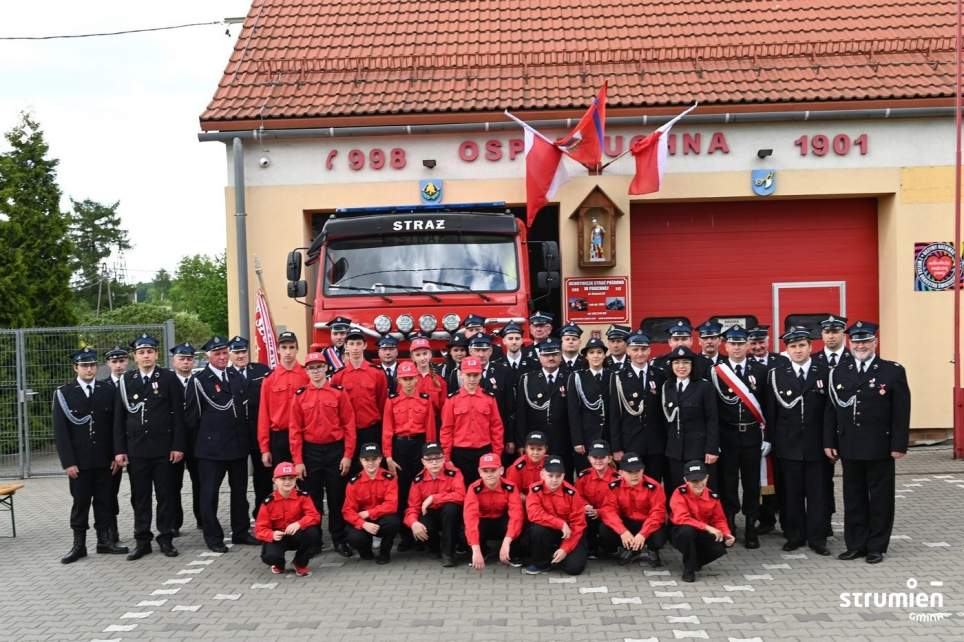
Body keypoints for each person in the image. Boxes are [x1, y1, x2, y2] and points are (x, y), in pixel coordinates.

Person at [824, 321, 910, 564]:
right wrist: (829, 440)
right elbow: (831, 409)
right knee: (853, 498)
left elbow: (901, 410)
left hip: (879, 446)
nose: (860, 346)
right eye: (856, 341)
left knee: (881, 499)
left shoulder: (892, 371)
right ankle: (856, 545)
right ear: (850, 343)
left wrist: (899, 444)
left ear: (875, 342)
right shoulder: (839, 371)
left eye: (866, 341)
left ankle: (876, 546)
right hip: (849, 445)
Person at [113, 334, 185, 560]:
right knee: (140, 497)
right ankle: (142, 540)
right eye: (141, 352)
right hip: (137, 450)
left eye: (150, 352)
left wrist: (178, 445)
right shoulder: (126, 380)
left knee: (166, 496)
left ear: (156, 354)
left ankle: (166, 538)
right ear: (135, 357)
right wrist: (119, 450)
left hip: (164, 449)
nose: (146, 356)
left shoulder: (168, 378)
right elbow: (119, 419)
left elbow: (179, 415)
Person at [54, 348, 129, 563]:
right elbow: (61, 431)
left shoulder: (108, 390)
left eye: (92, 365)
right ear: (75, 368)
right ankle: (79, 545)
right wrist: (68, 462)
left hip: (104, 460)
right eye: (84, 366)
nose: (89, 369)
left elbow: (115, 426)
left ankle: (104, 541)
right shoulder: (65, 393)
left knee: (104, 502)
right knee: (81, 503)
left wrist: (116, 454)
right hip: (79, 462)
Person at [184, 336, 257, 553]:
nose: (223, 357)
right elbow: (191, 419)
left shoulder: (235, 376)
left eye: (225, 353)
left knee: (240, 493)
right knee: (209, 495)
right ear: (209, 356)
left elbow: (243, 411)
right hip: (211, 449)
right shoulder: (199, 381)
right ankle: (213, 537)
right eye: (218, 354)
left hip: (237, 446)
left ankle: (241, 531)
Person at [765, 327, 831, 556]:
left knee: (818, 495)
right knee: (790, 495)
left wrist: (830, 443)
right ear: (787, 350)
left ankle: (818, 538)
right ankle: (794, 535)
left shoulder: (825, 372)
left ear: (811, 347)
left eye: (802, 345)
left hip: (817, 446)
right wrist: (771, 442)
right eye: (793, 346)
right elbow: (771, 413)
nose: (798, 350)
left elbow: (830, 412)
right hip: (788, 446)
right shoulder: (776, 374)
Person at [289, 350, 356, 558]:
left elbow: (349, 425)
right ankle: (315, 542)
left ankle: (339, 539)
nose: (316, 371)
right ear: (306, 371)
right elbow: (294, 431)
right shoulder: (300, 395)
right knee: (313, 499)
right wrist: (298, 461)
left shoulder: (338, 392)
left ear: (326, 368)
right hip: (311, 453)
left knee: (337, 498)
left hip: (335, 450)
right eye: (311, 368)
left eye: (319, 367)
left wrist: (347, 455)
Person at [711, 326, 769, 547]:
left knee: (752, 483)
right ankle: (730, 524)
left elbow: (768, 407)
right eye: (732, 344)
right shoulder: (717, 371)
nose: (736, 348)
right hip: (728, 435)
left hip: (752, 434)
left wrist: (767, 437)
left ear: (747, 346)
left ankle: (751, 527)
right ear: (726, 346)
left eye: (740, 344)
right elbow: (713, 410)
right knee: (729, 483)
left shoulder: (760, 370)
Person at [382, 360, 436, 551]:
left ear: (417, 379)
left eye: (411, 378)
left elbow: (430, 430)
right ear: (399, 380)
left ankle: (422, 535)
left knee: (421, 489)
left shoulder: (425, 399)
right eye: (404, 379)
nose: (408, 382)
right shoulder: (392, 400)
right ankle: (406, 535)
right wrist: (388, 457)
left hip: (419, 447)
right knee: (402, 491)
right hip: (400, 447)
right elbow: (387, 430)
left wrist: (430, 456)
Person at [813, 314, 852, 537]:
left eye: (835, 331)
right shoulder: (813, 360)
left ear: (843, 334)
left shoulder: (854, 358)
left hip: (850, 431)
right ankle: (824, 521)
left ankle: (854, 526)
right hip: (821, 432)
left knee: (853, 482)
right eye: (827, 332)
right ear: (822, 335)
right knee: (823, 481)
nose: (831, 336)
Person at [747, 325, 787, 536]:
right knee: (758, 478)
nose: (757, 347)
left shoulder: (782, 362)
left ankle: (785, 518)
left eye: (761, 342)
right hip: (755, 430)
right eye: (753, 343)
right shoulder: (745, 365)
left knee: (780, 477)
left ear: (768, 341)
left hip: (778, 429)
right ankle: (765, 519)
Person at [661, 347, 720, 493]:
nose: (681, 366)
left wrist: (712, 449)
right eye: (676, 363)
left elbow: (712, 420)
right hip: (675, 450)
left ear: (692, 365)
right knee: (677, 490)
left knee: (700, 490)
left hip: (698, 450)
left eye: (686, 362)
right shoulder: (667, 387)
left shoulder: (704, 386)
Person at [609, 332, 665, 482]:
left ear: (649, 350)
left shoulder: (659, 375)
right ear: (628, 351)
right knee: (631, 484)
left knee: (654, 483)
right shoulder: (618, 377)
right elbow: (614, 415)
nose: (640, 353)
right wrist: (616, 448)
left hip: (655, 443)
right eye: (635, 349)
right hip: (630, 442)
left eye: (643, 349)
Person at [227, 336, 273, 517]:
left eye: (243, 351)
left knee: (263, 478)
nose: (241, 356)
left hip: (259, 432)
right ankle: (240, 519)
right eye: (236, 352)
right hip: (236, 434)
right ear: (230, 354)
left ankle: (262, 513)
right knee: (238, 480)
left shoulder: (261, 370)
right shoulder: (225, 374)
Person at [440, 356, 503, 485]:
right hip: (460, 453)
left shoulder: (489, 399)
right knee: (462, 488)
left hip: (484, 451)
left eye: (475, 375)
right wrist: (446, 457)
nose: (472, 379)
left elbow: (496, 428)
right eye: (468, 375)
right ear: (461, 375)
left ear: (481, 375)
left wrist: (496, 454)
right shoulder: (452, 400)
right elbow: (446, 430)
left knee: (484, 488)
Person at [332, 329, 388, 471]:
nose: (355, 348)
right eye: (351, 344)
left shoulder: (377, 373)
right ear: (346, 346)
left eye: (358, 343)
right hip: (347, 432)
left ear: (365, 345)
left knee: (373, 469)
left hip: (371, 430)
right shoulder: (338, 376)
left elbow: (382, 403)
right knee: (349, 470)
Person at [598, 452, 667, 567]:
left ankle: (652, 550)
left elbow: (657, 513)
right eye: (630, 472)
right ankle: (630, 548)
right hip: (627, 523)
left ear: (643, 470)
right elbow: (609, 511)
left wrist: (643, 534)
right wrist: (622, 531)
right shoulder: (614, 487)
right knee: (605, 529)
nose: (634, 475)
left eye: (637, 471)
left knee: (659, 537)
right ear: (621, 473)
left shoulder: (654, 487)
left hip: (647, 523)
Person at [670, 460, 734, 582]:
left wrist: (727, 534)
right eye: (694, 481)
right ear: (686, 480)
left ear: (707, 478)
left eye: (701, 479)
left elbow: (719, 519)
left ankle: (695, 561)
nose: (698, 484)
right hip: (680, 531)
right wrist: (708, 527)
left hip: (701, 532)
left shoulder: (712, 496)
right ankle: (689, 569)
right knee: (687, 531)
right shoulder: (679, 493)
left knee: (720, 543)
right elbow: (681, 518)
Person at [516, 339, 573, 476]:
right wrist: (521, 443)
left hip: (563, 441)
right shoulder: (527, 379)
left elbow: (575, 413)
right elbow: (521, 414)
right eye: (546, 355)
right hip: (536, 443)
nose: (551, 358)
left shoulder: (570, 377)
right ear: (540, 357)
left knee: (563, 477)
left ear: (561, 356)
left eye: (555, 354)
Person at [254, 461, 322, 577]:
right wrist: (272, 534)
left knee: (313, 533)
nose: (287, 482)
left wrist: (299, 524)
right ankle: (279, 564)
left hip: (296, 534)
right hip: (278, 538)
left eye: (291, 478)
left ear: (296, 479)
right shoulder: (268, 503)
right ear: (275, 480)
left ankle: (299, 563)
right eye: (283, 478)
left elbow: (314, 516)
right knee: (270, 556)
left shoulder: (303, 496)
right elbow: (259, 529)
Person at [404, 442, 466, 567]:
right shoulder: (418, 480)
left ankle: (448, 554)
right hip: (430, 514)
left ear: (444, 459)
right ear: (423, 462)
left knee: (451, 509)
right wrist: (413, 523)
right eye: (429, 459)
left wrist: (434, 498)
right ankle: (435, 548)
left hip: (450, 515)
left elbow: (462, 495)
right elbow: (412, 507)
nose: (434, 463)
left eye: (438, 458)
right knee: (422, 524)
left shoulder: (454, 473)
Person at [523, 455, 588, 576]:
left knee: (574, 568)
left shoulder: (572, 493)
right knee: (537, 530)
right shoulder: (535, 490)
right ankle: (541, 564)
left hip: (570, 534)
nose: (554, 480)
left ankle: (559, 555)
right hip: (549, 531)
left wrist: (565, 549)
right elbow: (534, 514)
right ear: (542, 474)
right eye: (550, 475)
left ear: (563, 476)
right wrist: (560, 523)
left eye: (558, 476)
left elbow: (578, 525)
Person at [464, 452, 525, 570]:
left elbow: (516, 515)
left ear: (501, 470)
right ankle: (483, 551)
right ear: (479, 472)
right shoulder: (473, 488)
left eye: (493, 470)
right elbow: (470, 518)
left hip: (501, 521)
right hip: (483, 522)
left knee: (517, 524)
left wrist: (507, 541)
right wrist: (475, 549)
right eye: (485, 471)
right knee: (466, 531)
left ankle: (512, 553)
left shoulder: (510, 487)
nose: (489, 474)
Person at [257, 331, 308, 469]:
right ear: (278, 350)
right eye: (284, 347)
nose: (288, 352)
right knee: (282, 479)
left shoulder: (307, 375)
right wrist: (264, 448)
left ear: (297, 349)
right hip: (279, 438)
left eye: (292, 347)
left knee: (305, 479)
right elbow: (263, 415)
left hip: (304, 436)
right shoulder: (269, 379)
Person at [342, 443, 400, 564]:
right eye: (366, 459)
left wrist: (369, 513)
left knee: (393, 522)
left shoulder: (389, 478)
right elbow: (347, 511)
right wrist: (363, 524)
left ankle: (384, 553)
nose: (370, 463)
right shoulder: (353, 483)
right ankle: (366, 552)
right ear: (361, 461)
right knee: (354, 537)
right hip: (362, 521)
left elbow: (392, 505)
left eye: (374, 459)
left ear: (380, 459)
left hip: (381, 518)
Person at [168, 342, 199, 537]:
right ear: (174, 361)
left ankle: (202, 519)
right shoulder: (168, 381)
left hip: (197, 441)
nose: (186, 362)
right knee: (173, 484)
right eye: (182, 358)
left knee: (200, 483)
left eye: (189, 359)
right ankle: (174, 523)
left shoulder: (199, 381)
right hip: (174, 442)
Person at [567, 338, 611, 472]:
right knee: (585, 475)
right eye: (591, 352)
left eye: (599, 352)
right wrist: (577, 440)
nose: (596, 356)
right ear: (586, 356)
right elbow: (573, 412)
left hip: (608, 435)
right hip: (586, 437)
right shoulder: (577, 377)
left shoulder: (612, 376)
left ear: (604, 355)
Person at [103, 345, 132, 544]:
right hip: (114, 449)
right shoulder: (103, 387)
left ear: (127, 361)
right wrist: (113, 453)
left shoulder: (134, 382)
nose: (119, 365)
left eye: (122, 361)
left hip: (136, 445)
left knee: (140, 491)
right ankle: (111, 531)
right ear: (108, 364)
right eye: (114, 362)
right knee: (109, 491)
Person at [574, 440, 617, 558]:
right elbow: (577, 496)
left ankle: (608, 547)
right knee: (583, 515)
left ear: (609, 458)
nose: (598, 460)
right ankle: (590, 548)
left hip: (609, 515)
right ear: (589, 458)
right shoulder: (583, 476)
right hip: (590, 514)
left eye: (602, 457)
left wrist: (600, 512)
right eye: (595, 457)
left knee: (606, 527)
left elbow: (618, 505)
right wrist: (585, 505)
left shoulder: (617, 479)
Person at [506, 431, 550, 501]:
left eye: (539, 449)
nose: (535, 453)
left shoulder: (550, 463)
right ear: (526, 449)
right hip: (524, 502)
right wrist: (532, 501)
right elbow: (512, 492)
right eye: (532, 448)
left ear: (546, 449)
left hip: (546, 501)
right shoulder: (517, 467)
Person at [410, 336, 448, 414]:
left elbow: (444, 408)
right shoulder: (407, 378)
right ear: (412, 357)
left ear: (430, 354)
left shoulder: (440, 381)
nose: (422, 358)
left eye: (425, 353)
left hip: (434, 419)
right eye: (418, 355)